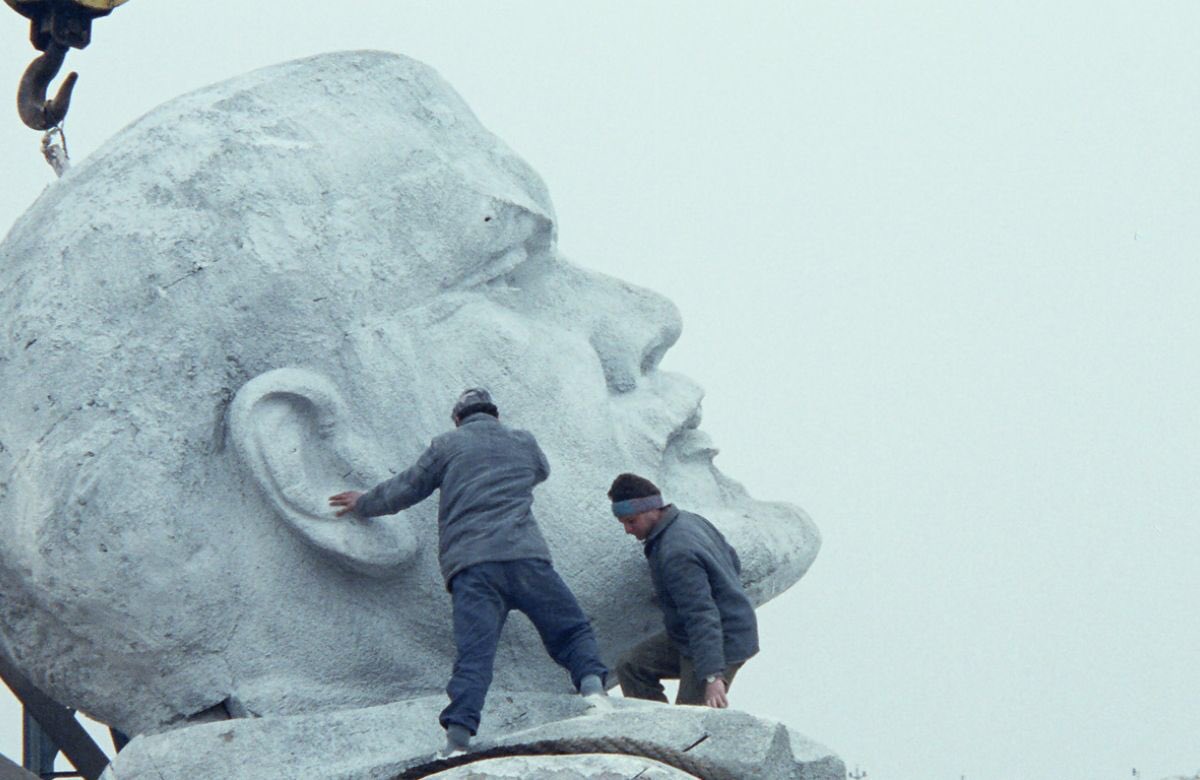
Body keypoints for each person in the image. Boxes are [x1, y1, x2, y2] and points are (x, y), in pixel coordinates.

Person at [0, 50, 819, 741]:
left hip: (479, 566)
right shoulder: (512, 456)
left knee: (506, 642)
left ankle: (485, 717)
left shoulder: (455, 456)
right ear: (311, 454)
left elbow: (417, 486)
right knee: (548, 631)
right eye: (508, 273)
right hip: (509, 564)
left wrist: (366, 499)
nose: (650, 319)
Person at [329, 388, 607, 753]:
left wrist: (364, 503)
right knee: (570, 629)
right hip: (526, 558)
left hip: (473, 568)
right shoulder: (523, 441)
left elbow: (408, 488)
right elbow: (541, 471)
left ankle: (458, 737)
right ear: (496, 414)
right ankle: (593, 693)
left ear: (458, 419)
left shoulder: (447, 445)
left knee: (475, 655)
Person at [608, 473, 758, 709]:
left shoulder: (676, 553)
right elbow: (732, 560)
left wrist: (712, 676)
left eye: (631, 521)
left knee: (689, 716)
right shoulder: (688, 520)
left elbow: (701, 614)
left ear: (651, 510)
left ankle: (670, 740)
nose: (627, 529)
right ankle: (653, 731)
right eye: (623, 523)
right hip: (689, 636)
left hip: (720, 640)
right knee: (632, 666)